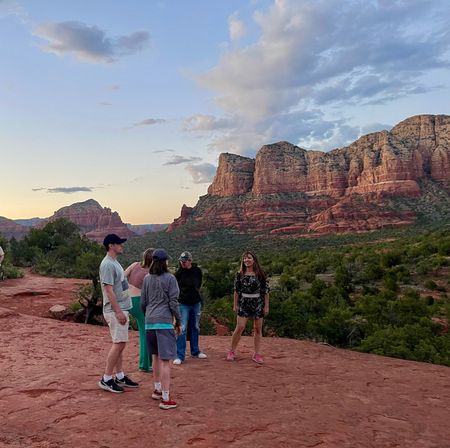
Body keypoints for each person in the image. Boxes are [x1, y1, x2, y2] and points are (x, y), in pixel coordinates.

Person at [141, 248, 181, 410]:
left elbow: (143, 302)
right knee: (165, 361)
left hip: (150, 322)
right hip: (164, 322)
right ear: (165, 262)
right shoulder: (170, 278)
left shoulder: (147, 279)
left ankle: (157, 389)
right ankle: (165, 398)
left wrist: (148, 317)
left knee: (155, 357)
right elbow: (173, 302)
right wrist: (178, 321)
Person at [98, 234, 139, 393]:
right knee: (119, 343)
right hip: (116, 310)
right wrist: (118, 311)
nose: (122, 245)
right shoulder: (107, 264)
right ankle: (106, 379)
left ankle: (120, 376)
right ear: (111, 246)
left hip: (121, 308)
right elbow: (108, 290)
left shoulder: (114, 262)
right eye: (119, 243)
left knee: (120, 342)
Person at [227, 250, 270, 364]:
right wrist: (235, 304)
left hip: (257, 303)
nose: (247, 260)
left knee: (257, 329)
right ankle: (231, 351)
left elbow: (265, 291)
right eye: (245, 258)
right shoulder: (239, 274)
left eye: (249, 258)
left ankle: (257, 354)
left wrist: (266, 306)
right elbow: (236, 291)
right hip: (243, 302)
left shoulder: (261, 274)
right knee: (240, 326)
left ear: (254, 260)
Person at [173, 251, 207, 365]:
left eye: (185, 261)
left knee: (195, 327)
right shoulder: (178, 273)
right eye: (181, 261)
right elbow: (175, 287)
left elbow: (199, 283)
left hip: (195, 302)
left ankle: (195, 351)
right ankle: (179, 355)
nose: (182, 263)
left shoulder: (197, 271)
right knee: (182, 328)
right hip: (183, 303)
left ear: (190, 261)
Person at [125, 248, 154, 372]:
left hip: (129, 301)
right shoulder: (150, 273)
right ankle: (145, 365)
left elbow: (122, 277)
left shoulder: (134, 264)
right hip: (139, 302)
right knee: (145, 333)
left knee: (144, 331)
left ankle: (147, 362)